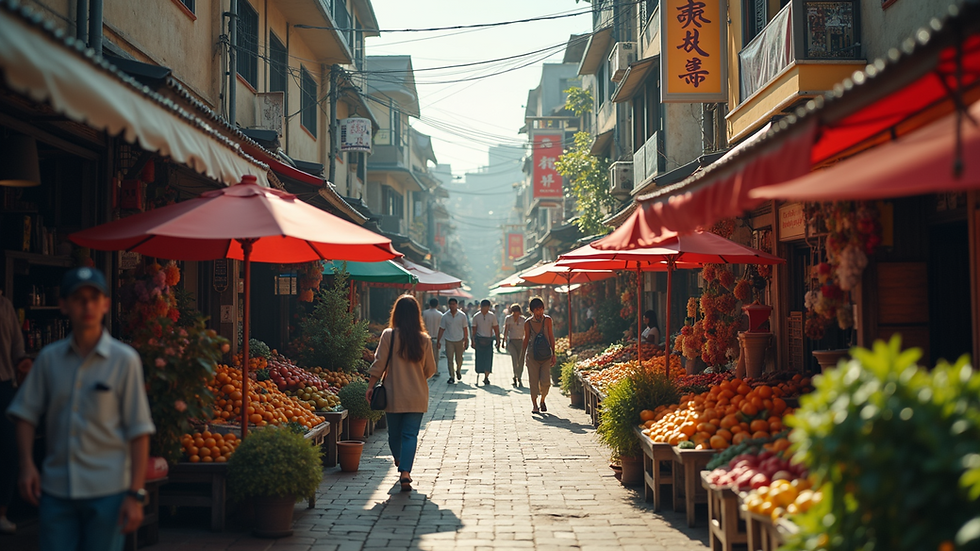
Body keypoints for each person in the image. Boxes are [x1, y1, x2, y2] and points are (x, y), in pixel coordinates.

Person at [7, 267, 155, 550]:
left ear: (105, 304)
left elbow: (139, 430)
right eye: (78, 298)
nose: (87, 305)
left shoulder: (125, 361)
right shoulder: (50, 360)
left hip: (108, 492)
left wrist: (135, 494)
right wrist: (26, 464)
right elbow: (25, 413)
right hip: (56, 490)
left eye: (94, 297)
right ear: (64, 304)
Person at [366, 295, 437, 492]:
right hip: (417, 395)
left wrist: (371, 385)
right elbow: (430, 370)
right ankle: (405, 471)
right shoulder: (424, 339)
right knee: (410, 434)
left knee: (394, 434)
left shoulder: (389, 335)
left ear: (396, 313)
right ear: (416, 315)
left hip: (393, 394)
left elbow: (379, 363)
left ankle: (401, 463)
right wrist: (415, 376)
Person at [1, 292, 32, 534]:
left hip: (3, 384)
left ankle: (2, 511)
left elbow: (17, 347)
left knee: (9, 450)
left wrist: (22, 361)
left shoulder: (4, 305)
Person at [521, 296, 556, 414]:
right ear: (532, 310)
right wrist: (523, 355)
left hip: (546, 355)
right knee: (533, 381)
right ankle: (535, 405)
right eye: (537, 310)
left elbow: (551, 336)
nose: (539, 312)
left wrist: (554, 353)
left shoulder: (548, 320)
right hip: (532, 355)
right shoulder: (528, 323)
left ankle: (542, 400)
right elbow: (526, 339)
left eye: (541, 309)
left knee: (546, 382)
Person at [436, 298, 468, 384]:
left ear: (456, 305)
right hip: (449, 340)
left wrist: (466, 339)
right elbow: (441, 329)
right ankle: (451, 376)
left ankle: (458, 370)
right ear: (448, 305)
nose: (452, 306)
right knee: (450, 359)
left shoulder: (462, 315)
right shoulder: (445, 316)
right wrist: (438, 340)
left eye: (454, 304)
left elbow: (465, 328)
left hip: (459, 340)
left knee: (459, 359)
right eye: (450, 304)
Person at [470, 299, 499, 386]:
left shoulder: (492, 316)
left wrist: (498, 340)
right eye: (483, 307)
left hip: (488, 339)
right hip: (479, 339)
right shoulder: (476, 316)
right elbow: (474, 330)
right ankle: (479, 372)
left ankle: (486, 377)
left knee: (488, 359)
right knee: (479, 358)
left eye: (486, 307)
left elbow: (496, 328)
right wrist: (473, 340)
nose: (485, 309)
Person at [502, 304, 526, 387]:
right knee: (515, 359)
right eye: (514, 312)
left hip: (521, 341)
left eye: (517, 312)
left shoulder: (523, 320)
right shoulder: (508, 319)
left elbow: (526, 332)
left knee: (521, 360)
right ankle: (515, 375)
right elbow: (506, 330)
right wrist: (503, 341)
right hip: (512, 341)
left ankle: (519, 376)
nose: (516, 314)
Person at [422, 298, 443, 369]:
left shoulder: (425, 313)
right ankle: (435, 370)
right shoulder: (440, 315)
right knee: (435, 356)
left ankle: (427, 369)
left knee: (426, 355)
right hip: (437, 338)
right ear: (437, 305)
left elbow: (422, 324)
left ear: (430, 304)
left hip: (426, 337)